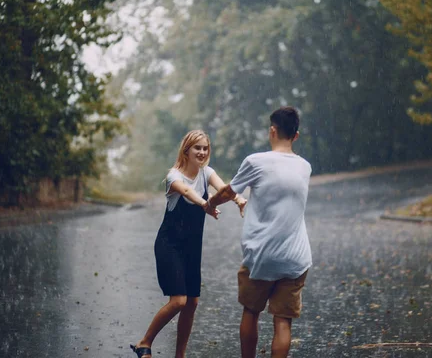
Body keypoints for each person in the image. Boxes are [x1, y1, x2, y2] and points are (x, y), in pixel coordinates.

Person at [130, 130, 247, 358]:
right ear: (186, 150)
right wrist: (206, 204)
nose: (202, 152)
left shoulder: (207, 173)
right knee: (179, 301)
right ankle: (144, 342)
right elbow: (187, 191)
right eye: (197, 148)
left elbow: (223, 189)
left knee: (192, 303)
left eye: (205, 148)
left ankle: (179, 355)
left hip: (192, 248)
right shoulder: (174, 176)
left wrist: (239, 199)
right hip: (169, 245)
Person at [207, 107, 312, 358]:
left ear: (272, 131)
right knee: (283, 321)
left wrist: (209, 204)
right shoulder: (305, 167)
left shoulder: (256, 162)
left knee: (251, 312)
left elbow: (228, 192)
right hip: (295, 258)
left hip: (261, 257)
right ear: (295, 136)